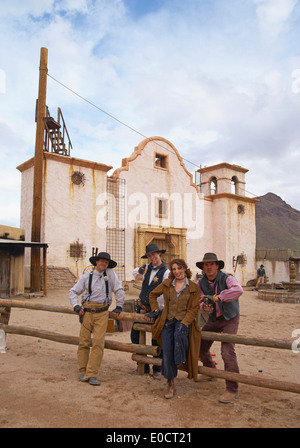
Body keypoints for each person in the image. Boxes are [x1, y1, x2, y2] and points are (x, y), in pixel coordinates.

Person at [148, 259, 201, 399]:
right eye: (174, 269)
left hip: (183, 321)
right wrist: (155, 309)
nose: (177, 272)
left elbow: (194, 309)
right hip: (168, 321)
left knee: (180, 336)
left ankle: (179, 360)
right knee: (167, 351)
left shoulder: (194, 288)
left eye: (179, 268)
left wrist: (184, 323)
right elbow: (152, 295)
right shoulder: (167, 284)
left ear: (184, 269)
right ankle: (170, 383)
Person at [69, 251, 125, 386]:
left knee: (98, 342)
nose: (103, 264)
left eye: (106, 262)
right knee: (83, 341)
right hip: (87, 311)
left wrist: (119, 306)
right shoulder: (86, 277)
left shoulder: (110, 274)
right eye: (101, 261)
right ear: (96, 262)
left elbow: (118, 289)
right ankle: (83, 370)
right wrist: (76, 306)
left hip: (102, 312)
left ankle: (92, 373)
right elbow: (73, 291)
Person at [196, 252, 243, 404]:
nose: (209, 267)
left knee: (227, 351)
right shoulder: (200, 283)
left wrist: (219, 297)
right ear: (203, 267)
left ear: (217, 266)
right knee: (200, 345)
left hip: (229, 318)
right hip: (213, 318)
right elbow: (200, 302)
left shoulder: (227, 278)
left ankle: (232, 388)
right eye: (206, 265)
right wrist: (205, 305)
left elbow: (238, 290)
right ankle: (211, 371)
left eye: (211, 264)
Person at [131, 243, 170, 379]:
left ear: (159, 254)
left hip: (156, 310)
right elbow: (135, 274)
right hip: (142, 307)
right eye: (149, 255)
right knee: (135, 336)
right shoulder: (146, 268)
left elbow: (166, 294)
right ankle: (143, 365)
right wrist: (142, 270)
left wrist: (158, 311)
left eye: (154, 254)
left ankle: (157, 368)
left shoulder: (166, 272)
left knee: (157, 339)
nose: (152, 257)